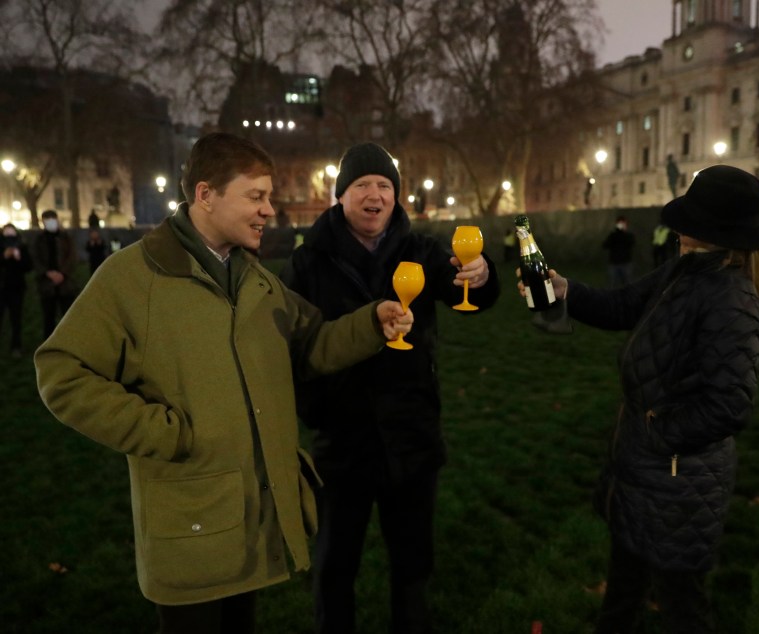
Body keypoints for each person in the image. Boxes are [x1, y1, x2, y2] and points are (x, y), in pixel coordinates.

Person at [33, 132, 413, 634]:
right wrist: (161, 432)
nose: (268, 211)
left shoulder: (254, 277)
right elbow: (61, 370)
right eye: (255, 196)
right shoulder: (131, 277)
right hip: (189, 533)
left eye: (268, 197)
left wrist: (372, 324)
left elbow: (312, 343)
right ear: (205, 195)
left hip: (250, 525)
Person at [523, 165, 759, 633]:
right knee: (623, 592)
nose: (679, 226)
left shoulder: (730, 298)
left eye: (690, 219)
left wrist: (658, 435)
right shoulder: (685, 269)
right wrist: (565, 290)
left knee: (683, 608)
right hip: (643, 471)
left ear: (715, 231)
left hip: (679, 484)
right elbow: (621, 306)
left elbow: (731, 404)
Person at [279, 142, 500, 634]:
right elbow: (288, 344)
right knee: (336, 568)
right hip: (343, 440)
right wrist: (315, 407)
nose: (374, 195)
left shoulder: (420, 250)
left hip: (410, 436)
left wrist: (482, 276)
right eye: (362, 185)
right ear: (340, 197)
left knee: (412, 567)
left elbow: (472, 291)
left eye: (384, 186)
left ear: (396, 197)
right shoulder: (309, 261)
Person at [31, 209, 80, 339]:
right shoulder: (39, 240)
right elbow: (36, 258)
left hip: (66, 284)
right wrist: (47, 273)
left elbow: (72, 257)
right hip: (47, 284)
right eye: (47, 220)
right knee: (48, 318)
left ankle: (70, 343)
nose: (50, 223)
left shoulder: (66, 238)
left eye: (52, 219)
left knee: (68, 317)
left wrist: (62, 273)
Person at [1, 223, 33, 358]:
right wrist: (4, 257)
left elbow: (29, 266)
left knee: (16, 319)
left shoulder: (22, 246)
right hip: (1, 288)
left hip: (16, 288)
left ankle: (16, 346)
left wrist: (19, 259)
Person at [602, 215, 636, 287]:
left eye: (623, 224)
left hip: (625, 262)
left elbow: (632, 243)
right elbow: (605, 245)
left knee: (628, 284)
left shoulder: (628, 235)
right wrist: (616, 234)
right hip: (614, 263)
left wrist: (623, 233)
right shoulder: (613, 235)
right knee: (612, 284)